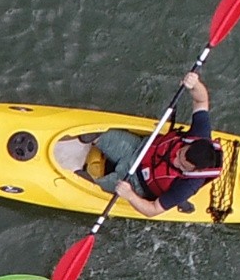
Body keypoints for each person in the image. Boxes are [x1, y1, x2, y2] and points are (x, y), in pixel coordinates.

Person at [61, 71, 227, 217]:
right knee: (94, 134)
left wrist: (130, 195)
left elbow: (153, 210)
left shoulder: (187, 186)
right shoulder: (200, 134)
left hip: (135, 184)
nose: (175, 158)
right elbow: (201, 101)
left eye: (181, 164)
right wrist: (195, 84)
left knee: (85, 184)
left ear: (193, 170)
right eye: (180, 153)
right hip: (137, 148)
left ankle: (82, 178)